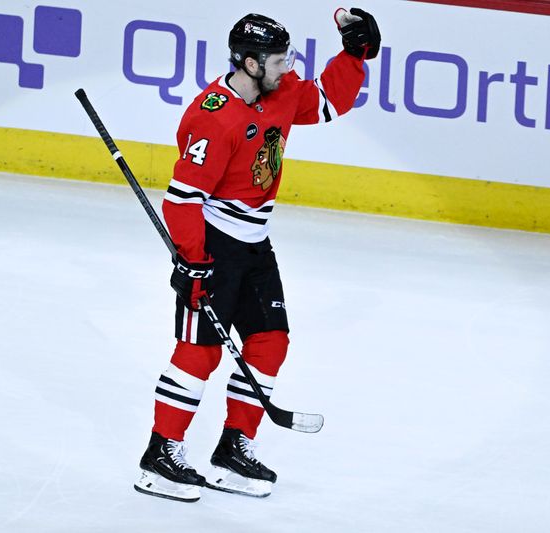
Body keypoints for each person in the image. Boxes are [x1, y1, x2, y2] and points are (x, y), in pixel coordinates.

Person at [133, 8, 381, 502]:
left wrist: (353, 54)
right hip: (213, 244)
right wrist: (193, 261)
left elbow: (330, 100)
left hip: (255, 244)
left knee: (270, 342)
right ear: (249, 63)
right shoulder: (212, 117)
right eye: (278, 59)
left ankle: (232, 449)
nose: (288, 66)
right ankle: (160, 455)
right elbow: (182, 200)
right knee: (200, 352)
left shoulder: (282, 91)